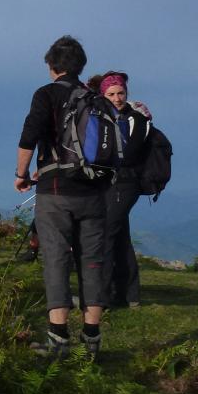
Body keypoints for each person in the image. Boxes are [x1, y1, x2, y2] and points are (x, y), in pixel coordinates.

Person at [15, 36, 108, 359]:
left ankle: (58, 340)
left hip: (55, 189)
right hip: (94, 191)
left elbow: (29, 136)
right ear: (80, 66)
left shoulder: (47, 94)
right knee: (93, 260)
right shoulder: (95, 99)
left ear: (52, 65)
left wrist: (21, 175)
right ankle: (92, 340)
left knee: (55, 258)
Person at [88, 71, 151, 309]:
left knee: (104, 234)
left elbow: (131, 153)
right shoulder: (106, 117)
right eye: (111, 94)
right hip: (112, 182)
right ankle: (129, 294)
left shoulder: (137, 117)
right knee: (121, 237)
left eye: (120, 93)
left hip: (125, 182)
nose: (117, 98)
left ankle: (99, 298)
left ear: (127, 92)